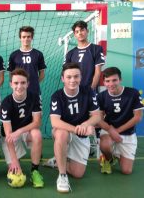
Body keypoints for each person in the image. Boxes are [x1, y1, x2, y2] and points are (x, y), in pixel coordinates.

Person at [50, 62, 101, 193]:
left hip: (81, 133)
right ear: (63, 79)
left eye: (76, 76)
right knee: (61, 134)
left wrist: (86, 124)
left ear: (81, 77)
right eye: (69, 77)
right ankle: (62, 176)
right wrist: (77, 128)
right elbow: (55, 122)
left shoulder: (88, 91)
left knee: (78, 174)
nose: (73, 80)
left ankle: (57, 161)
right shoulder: (57, 96)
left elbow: (97, 116)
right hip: (65, 131)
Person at [0, 68, 44, 188]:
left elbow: (37, 122)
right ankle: (16, 159)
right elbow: (8, 134)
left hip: (25, 131)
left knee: (37, 134)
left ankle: (35, 170)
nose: (19, 86)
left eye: (23, 83)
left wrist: (20, 131)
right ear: (10, 84)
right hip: (10, 137)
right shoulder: (6, 103)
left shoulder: (34, 97)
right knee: (14, 169)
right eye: (16, 83)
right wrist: (14, 160)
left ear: (28, 84)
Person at [97, 67, 144, 175]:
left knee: (126, 171)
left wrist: (116, 131)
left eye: (114, 80)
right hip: (109, 131)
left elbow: (137, 117)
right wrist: (110, 130)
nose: (111, 84)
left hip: (127, 133)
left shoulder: (133, 93)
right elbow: (99, 119)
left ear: (120, 79)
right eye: (107, 81)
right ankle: (109, 159)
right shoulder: (101, 96)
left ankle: (116, 154)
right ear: (104, 82)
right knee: (105, 144)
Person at [64, 20, 105, 90]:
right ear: (74, 34)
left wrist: (91, 90)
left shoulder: (96, 49)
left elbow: (98, 72)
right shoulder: (70, 53)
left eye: (82, 30)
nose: (80, 33)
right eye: (77, 32)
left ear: (87, 31)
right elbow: (66, 73)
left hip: (90, 90)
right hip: (74, 90)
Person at [7, 26, 46, 95]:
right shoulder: (14, 55)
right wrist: (17, 85)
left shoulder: (38, 54)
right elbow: (11, 74)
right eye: (24, 37)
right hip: (19, 92)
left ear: (32, 38)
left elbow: (42, 74)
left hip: (35, 91)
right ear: (20, 38)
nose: (26, 39)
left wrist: (34, 83)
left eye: (28, 37)